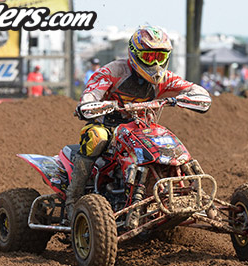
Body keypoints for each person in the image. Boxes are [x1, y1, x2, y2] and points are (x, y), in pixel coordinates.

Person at [64, 25, 212, 222]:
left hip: (142, 129)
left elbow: (196, 90)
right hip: (109, 128)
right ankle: (72, 200)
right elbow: (91, 93)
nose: (156, 63)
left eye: (160, 57)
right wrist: (92, 104)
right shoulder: (114, 71)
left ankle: (193, 197)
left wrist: (185, 99)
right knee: (95, 136)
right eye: (149, 57)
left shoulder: (164, 78)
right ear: (134, 54)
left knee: (168, 141)